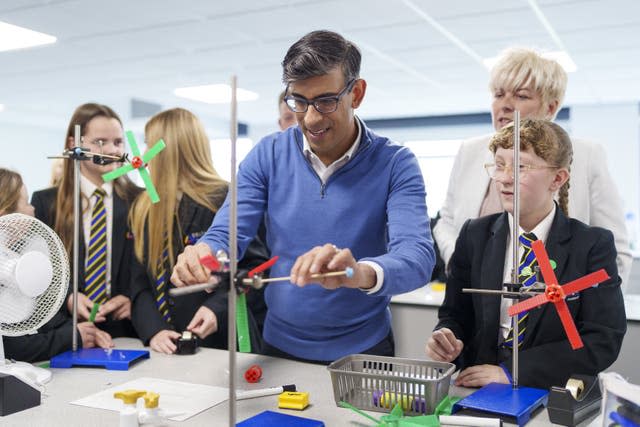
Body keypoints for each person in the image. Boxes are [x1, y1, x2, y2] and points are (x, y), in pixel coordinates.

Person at [171, 30, 435, 364]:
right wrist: (205, 254)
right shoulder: (267, 154)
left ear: (357, 92)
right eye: (299, 101)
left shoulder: (396, 162)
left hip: (364, 350)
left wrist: (358, 273)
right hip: (279, 348)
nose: (311, 118)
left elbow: (417, 257)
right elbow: (228, 232)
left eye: (326, 101)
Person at [426, 119, 626, 390]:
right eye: (499, 165)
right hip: (477, 388)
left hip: (551, 391)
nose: (505, 178)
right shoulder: (475, 235)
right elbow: (455, 314)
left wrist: (512, 372)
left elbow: (602, 340)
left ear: (557, 178)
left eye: (520, 167)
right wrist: (448, 339)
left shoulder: (591, 245)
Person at [433, 48, 631, 289]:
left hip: (555, 307)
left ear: (550, 108)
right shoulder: (471, 151)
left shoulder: (586, 155)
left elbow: (615, 250)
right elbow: (447, 221)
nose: (504, 105)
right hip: (477, 300)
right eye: (498, 94)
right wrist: (459, 258)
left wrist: (593, 307)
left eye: (521, 96)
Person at [128, 108, 269, 354]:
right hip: (166, 346)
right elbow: (138, 283)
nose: (144, 157)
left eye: (149, 145)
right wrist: (154, 329)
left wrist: (218, 308)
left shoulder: (224, 199)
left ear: (170, 150)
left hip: (222, 343)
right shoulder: (144, 208)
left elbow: (255, 267)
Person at [31, 103, 140, 340]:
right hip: (68, 332)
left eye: (119, 142)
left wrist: (133, 297)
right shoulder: (45, 203)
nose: (112, 149)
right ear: (74, 144)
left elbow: (151, 268)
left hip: (128, 332)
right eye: (100, 142)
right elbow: (38, 271)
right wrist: (68, 297)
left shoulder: (139, 201)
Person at [0, 168, 113, 362]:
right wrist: (71, 337)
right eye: (26, 203)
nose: (33, 209)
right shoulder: (8, 271)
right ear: (6, 217)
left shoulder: (23, 261)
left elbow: (43, 315)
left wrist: (80, 331)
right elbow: (12, 347)